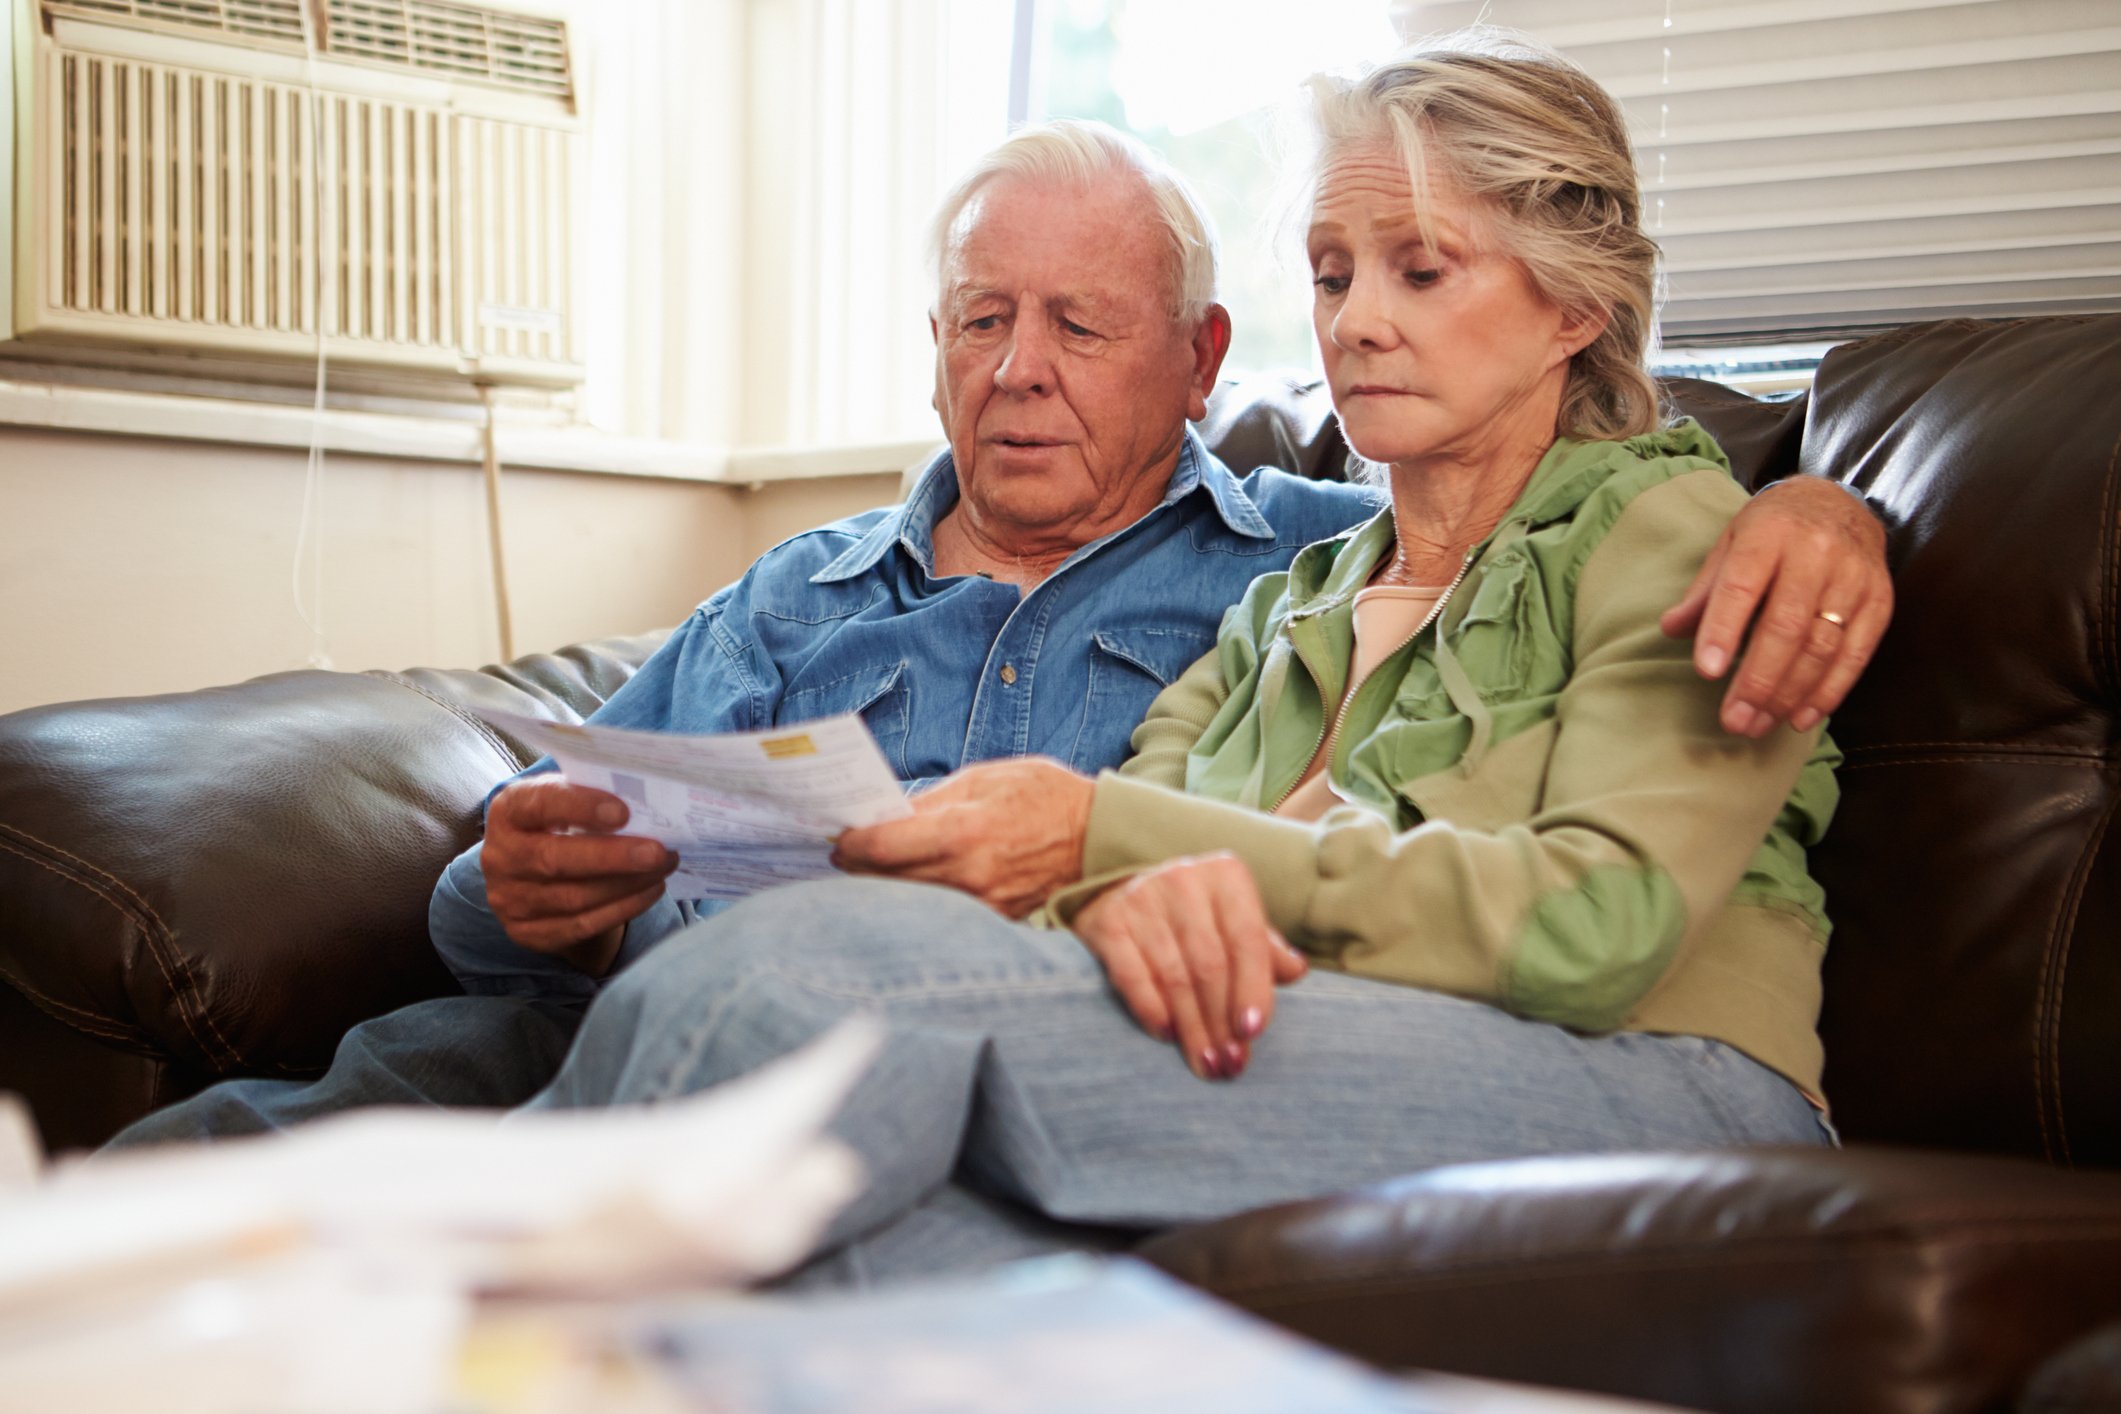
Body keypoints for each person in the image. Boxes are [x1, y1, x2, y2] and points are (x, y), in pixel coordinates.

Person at [107, 95, 1884, 1147]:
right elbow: (513, 900)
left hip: (880, 1043)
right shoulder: (800, 589)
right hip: (578, 1030)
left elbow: (1575, 533)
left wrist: (1826, 503)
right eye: (977, 320)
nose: (1015, 371)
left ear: (1198, 364)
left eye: (1078, 328)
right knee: (199, 1166)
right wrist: (512, 889)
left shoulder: (1299, 553)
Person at [506, 32, 1850, 1289]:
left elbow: (1591, 928)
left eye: (1419, 268)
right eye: (1330, 274)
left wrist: (1115, 843)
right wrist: (1117, 897)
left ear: (1570, 308)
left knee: (812, 979)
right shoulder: (1290, 601)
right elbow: (1120, 862)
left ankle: (460, 1291)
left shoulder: (1670, 533)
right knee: (861, 1260)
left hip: (1653, 1081)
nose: (1357, 321)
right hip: (1318, 1054)